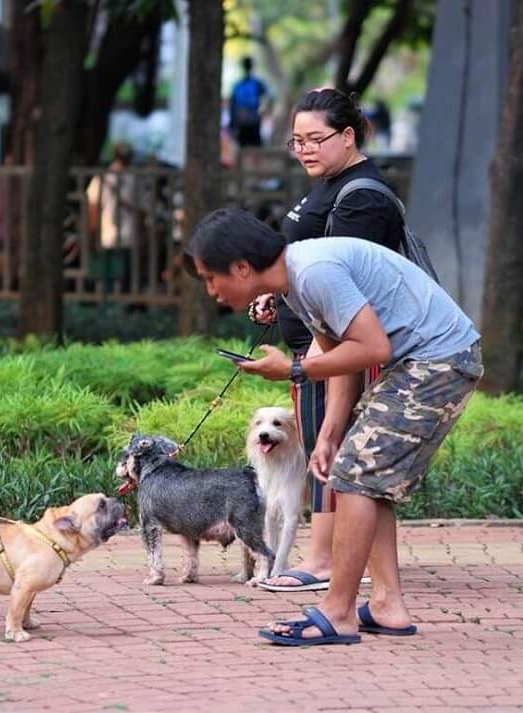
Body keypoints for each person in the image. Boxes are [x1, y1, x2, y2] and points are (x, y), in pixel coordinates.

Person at [184, 208, 481, 645]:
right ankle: (386, 606)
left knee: (355, 478)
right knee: (358, 471)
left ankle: (338, 611)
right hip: (420, 362)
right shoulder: (295, 284)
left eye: (211, 277)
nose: (211, 290)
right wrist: (329, 431)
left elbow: (371, 346)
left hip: (440, 360)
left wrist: (293, 370)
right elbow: (342, 353)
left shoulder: (314, 272)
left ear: (242, 268)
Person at [249, 88, 403, 593]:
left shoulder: (361, 197)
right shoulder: (331, 184)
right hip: (316, 346)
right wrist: (279, 294)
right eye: (297, 141)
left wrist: (316, 356)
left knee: (332, 453)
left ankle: (323, 563)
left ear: (348, 136)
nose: (306, 149)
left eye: (316, 139)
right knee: (323, 450)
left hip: (336, 352)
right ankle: (330, 560)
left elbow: (349, 290)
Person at [228, 57, 267, 147]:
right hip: (249, 121)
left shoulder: (239, 85)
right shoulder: (254, 83)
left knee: (247, 148)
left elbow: (232, 106)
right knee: (253, 148)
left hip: (246, 121)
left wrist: (232, 125)